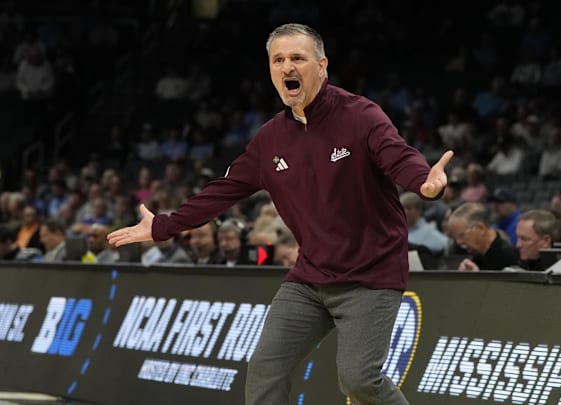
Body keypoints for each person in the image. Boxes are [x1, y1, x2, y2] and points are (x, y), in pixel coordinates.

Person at [108, 23, 453, 405]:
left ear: (322, 66)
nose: (288, 66)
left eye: (298, 58)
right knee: (265, 370)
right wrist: (163, 226)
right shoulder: (270, 139)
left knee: (359, 381)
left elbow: (398, 156)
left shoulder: (361, 116)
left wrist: (425, 182)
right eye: (278, 60)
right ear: (271, 71)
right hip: (310, 278)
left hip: (370, 276)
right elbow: (221, 192)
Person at [446, 201, 519, 271]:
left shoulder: (508, 258)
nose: (459, 242)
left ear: (480, 228)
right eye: (456, 238)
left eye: (462, 236)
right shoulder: (475, 257)